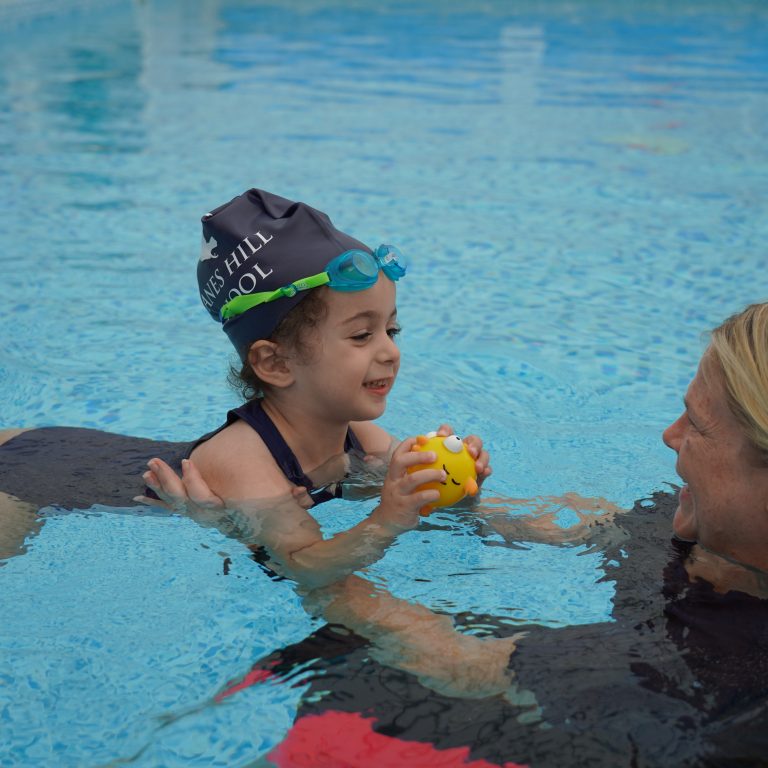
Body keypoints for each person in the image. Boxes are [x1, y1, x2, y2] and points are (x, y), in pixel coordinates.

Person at [0, 188, 519, 698]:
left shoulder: (360, 435)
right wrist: (386, 519)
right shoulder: (241, 456)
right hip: (27, 475)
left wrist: (459, 492)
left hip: (73, 447)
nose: (389, 352)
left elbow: (428, 506)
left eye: (392, 329)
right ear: (275, 363)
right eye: (362, 336)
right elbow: (306, 566)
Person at [216, 301, 768, 767]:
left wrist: (264, 537)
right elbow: (578, 527)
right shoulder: (699, 525)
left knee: (342, 680)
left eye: (697, 423)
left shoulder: (715, 668)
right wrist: (461, 505)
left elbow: (457, 664)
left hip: (607, 735)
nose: (669, 436)